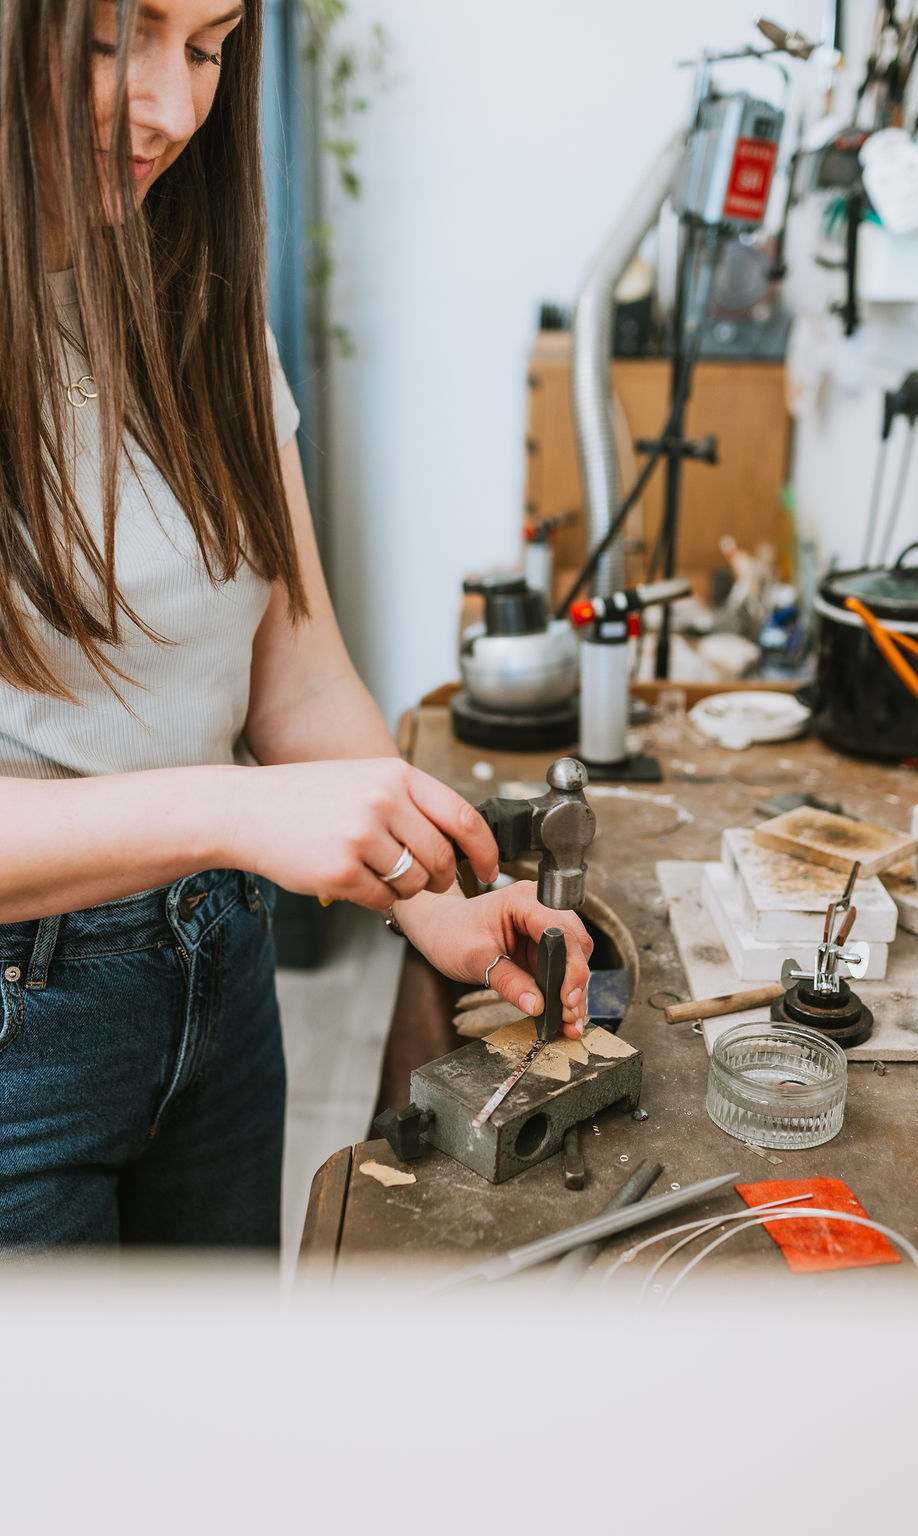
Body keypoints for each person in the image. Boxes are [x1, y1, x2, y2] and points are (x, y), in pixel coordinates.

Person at [0, 0, 592, 1250]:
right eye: (116, 39)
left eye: (208, 48)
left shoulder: (193, 299)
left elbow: (294, 672)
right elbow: (248, 788)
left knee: (209, 1427)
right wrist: (236, 810)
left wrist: (429, 898)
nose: (169, 108)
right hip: (19, 1036)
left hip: (220, 980)